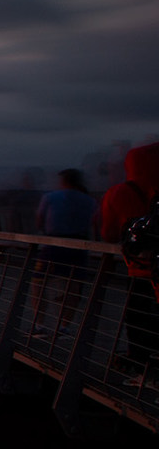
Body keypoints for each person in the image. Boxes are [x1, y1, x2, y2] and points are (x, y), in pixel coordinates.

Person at [99, 145, 159, 384]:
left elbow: (109, 234)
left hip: (142, 271)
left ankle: (141, 369)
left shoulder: (119, 193)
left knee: (139, 320)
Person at [34, 168, 98, 335]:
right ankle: (65, 326)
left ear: (63, 181)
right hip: (79, 246)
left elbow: (39, 221)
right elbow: (96, 223)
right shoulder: (90, 201)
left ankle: (39, 324)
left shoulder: (50, 197)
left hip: (53, 244)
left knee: (39, 283)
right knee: (73, 287)